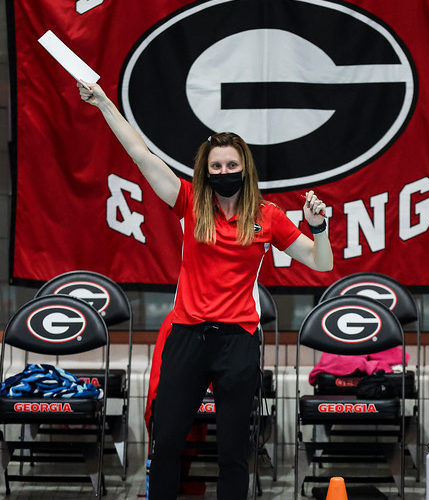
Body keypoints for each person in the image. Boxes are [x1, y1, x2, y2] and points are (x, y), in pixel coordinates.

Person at [77, 81, 333, 500]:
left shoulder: (268, 217)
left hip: (238, 343)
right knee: (166, 444)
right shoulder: (190, 201)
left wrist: (317, 226)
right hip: (186, 338)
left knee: (233, 451)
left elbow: (322, 262)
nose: (223, 173)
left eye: (231, 165)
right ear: (205, 171)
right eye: (215, 167)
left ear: (245, 168)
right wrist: (104, 102)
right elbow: (141, 155)